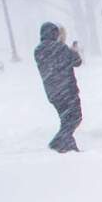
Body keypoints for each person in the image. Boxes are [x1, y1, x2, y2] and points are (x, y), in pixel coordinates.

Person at [34, 22, 84, 153]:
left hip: (53, 92)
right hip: (67, 90)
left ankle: (69, 146)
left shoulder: (38, 50)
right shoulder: (60, 48)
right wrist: (73, 50)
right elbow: (77, 62)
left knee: (66, 119)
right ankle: (57, 142)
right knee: (75, 117)